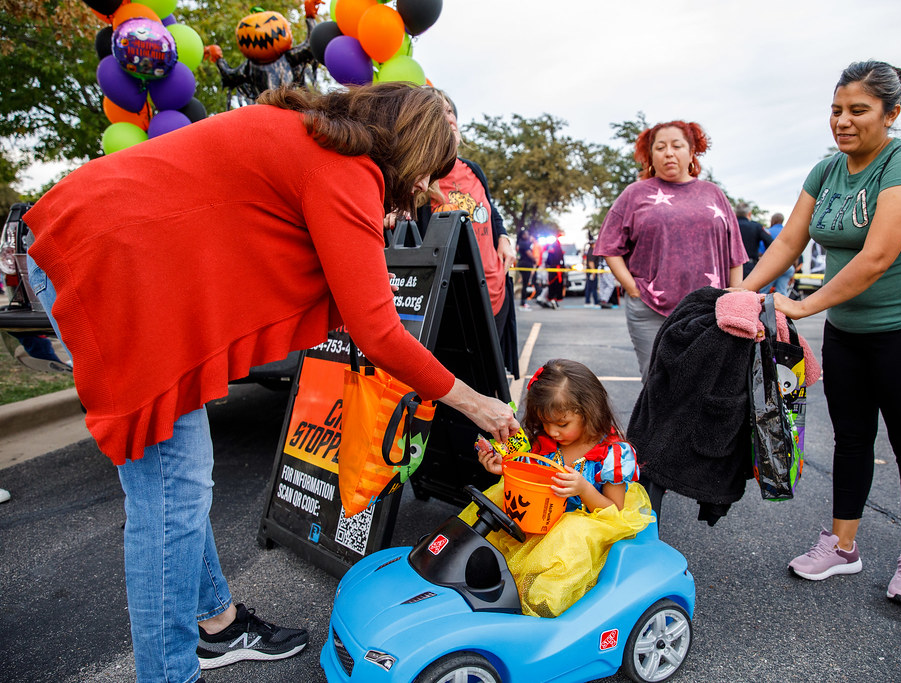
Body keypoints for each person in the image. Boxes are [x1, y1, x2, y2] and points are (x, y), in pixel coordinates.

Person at [24, 83, 520, 683]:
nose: (425, 186)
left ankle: (217, 623)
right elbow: (378, 332)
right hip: (108, 264)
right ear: (410, 147)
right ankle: (167, 674)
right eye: (428, 169)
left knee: (175, 484)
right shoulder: (345, 169)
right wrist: (478, 405)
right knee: (171, 495)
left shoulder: (309, 129)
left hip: (97, 248)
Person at [740, 60, 901, 607]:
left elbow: (878, 255)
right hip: (850, 333)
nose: (843, 120)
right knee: (853, 440)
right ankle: (842, 546)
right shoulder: (826, 171)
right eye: (836, 110)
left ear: (891, 113)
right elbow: (788, 241)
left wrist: (804, 305)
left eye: (858, 110)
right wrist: (738, 292)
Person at [465, 359, 653, 617]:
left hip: (584, 531)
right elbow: (527, 482)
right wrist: (504, 469)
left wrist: (584, 489)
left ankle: (541, 606)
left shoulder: (612, 454)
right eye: (545, 423)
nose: (552, 431)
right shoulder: (544, 443)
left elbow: (615, 512)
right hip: (541, 517)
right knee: (498, 501)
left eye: (562, 424)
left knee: (570, 533)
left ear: (590, 411)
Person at [594, 120, 747, 381]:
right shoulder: (634, 194)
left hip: (709, 310)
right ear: (651, 155)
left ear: (691, 152)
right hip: (650, 309)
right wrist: (632, 287)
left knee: (707, 384)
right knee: (658, 384)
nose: (669, 153)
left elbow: (735, 253)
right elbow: (609, 246)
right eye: (660, 147)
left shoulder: (713, 193)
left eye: (677, 145)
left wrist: (736, 298)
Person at [415, 90, 519, 378]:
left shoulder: (472, 169)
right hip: (456, 302)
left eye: (451, 112)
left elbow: (490, 209)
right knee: (462, 382)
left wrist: (504, 236)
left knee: (494, 379)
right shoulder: (419, 177)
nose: (449, 118)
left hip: (495, 289)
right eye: (439, 112)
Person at [760, 212, 797, 296]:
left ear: (772, 221)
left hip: (770, 266)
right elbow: (795, 254)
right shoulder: (790, 233)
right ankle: (781, 309)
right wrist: (793, 270)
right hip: (787, 266)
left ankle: (760, 308)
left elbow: (761, 253)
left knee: (763, 292)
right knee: (782, 293)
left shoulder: (767, 232)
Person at [736, 202, 773, 277]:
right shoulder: (756, 226)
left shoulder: (728, 225)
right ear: (749, 214)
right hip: (749, 266)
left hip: (730, 267)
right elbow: (770, 242)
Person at [536, 238, 565, 309]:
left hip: (550, 271)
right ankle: (545, 298)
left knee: (549, 286)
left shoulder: (550, 252)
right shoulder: (552, 252)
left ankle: (546, 299)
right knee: (549, 286)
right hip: (550, 271)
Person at [517, 228, 537, 309]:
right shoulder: (524, 244)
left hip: (523, 265)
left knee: (525, 284)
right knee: (525, 284)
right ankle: (523, 302)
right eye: (526, 234)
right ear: (522, 235)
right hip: (525, 265)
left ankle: (523, 301)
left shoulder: (522, 243)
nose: (528, 235)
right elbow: (529, 254)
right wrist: (534, 260)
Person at [583, 239, 599, 308]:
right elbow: (591, 262)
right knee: (593, 288)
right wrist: (593, 273)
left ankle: (587, 301)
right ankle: (596, 302)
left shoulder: (590, 251)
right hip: (592, 272)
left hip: (590, 271)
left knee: (589, 288)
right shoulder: (592, 251)